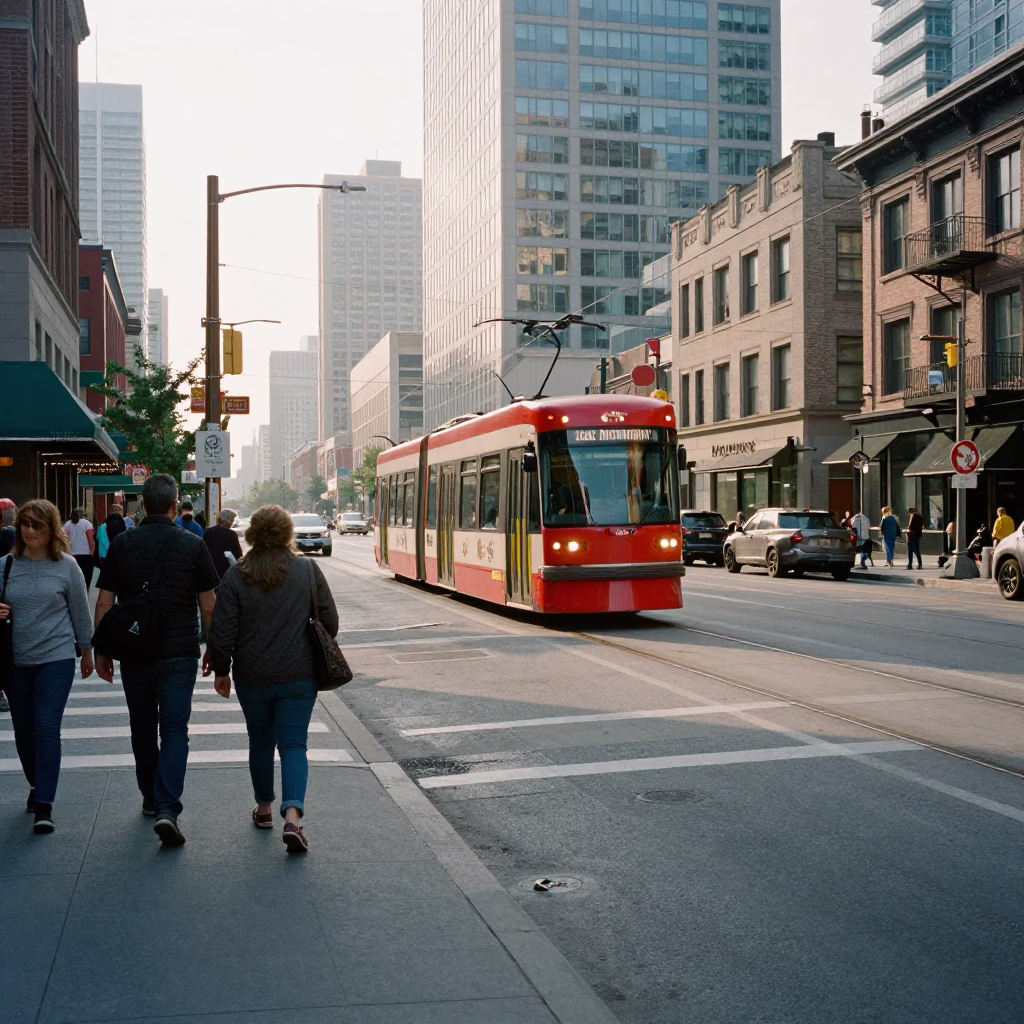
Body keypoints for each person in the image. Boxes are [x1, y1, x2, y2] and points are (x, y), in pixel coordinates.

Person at [94, 474, 220, 846]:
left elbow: (104, 602)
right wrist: (213, 649)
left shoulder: (122, 544)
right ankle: (168, 807)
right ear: (173, 503)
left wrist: (102, 650)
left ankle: (150, 796)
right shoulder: (194, 544)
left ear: (144, 505)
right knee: (176, 730)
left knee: (143, 727)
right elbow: (208, 605)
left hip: (135, 653)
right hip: (179, 652)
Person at [207, 505, 339, 854]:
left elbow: (222, 629)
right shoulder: (307, 570)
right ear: (286, 533)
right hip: (299, 673)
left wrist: (221, 670)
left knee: (261, 743)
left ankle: (264, 809)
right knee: (294, 745)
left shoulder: (237, 574)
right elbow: (331, 622)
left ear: (250, 535)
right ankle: (292, 817)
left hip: (252, 675)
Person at [0, 500, 94, 832]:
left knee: (45, 728)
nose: (29, 531)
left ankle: (45, 804)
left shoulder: (67, 566)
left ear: (52, 529)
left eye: (37, 525)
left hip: (56, 657)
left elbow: (81, 613)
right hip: (16, 661)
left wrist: (87, 651)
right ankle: (36, 784)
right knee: (23, 732)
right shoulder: (5, 566)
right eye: (25, 524)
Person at [203, 507, 243, 578]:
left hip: (210, 568)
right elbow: (238, 554)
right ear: (229, 520)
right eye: (232, 520)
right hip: (226, 569)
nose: (233, 522)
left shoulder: (208, 531)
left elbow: (203, 550)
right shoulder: (232, 534)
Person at [62, 508, 96, 591]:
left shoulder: (67, 524)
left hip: (72, 555)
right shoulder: (87, 523)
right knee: (86, 579)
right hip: (85, 554)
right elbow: (91, 540)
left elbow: (64, 540)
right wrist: (92, 551)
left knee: (73, 579)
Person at [96, 504, 128, 568]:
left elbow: (99, 539)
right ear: (120, 511)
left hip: (105, 555)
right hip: (119, 555)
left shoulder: (103, 525)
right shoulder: (123, 524)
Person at [906, 506, 924, 570]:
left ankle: (910, 564)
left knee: (910, 551)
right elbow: (922, 525)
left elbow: (910, 527)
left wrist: (908, 531)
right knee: (917, 550)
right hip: (917, 535)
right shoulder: (920, 517)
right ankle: (920, 563)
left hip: (911, 536)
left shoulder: (912, 517)